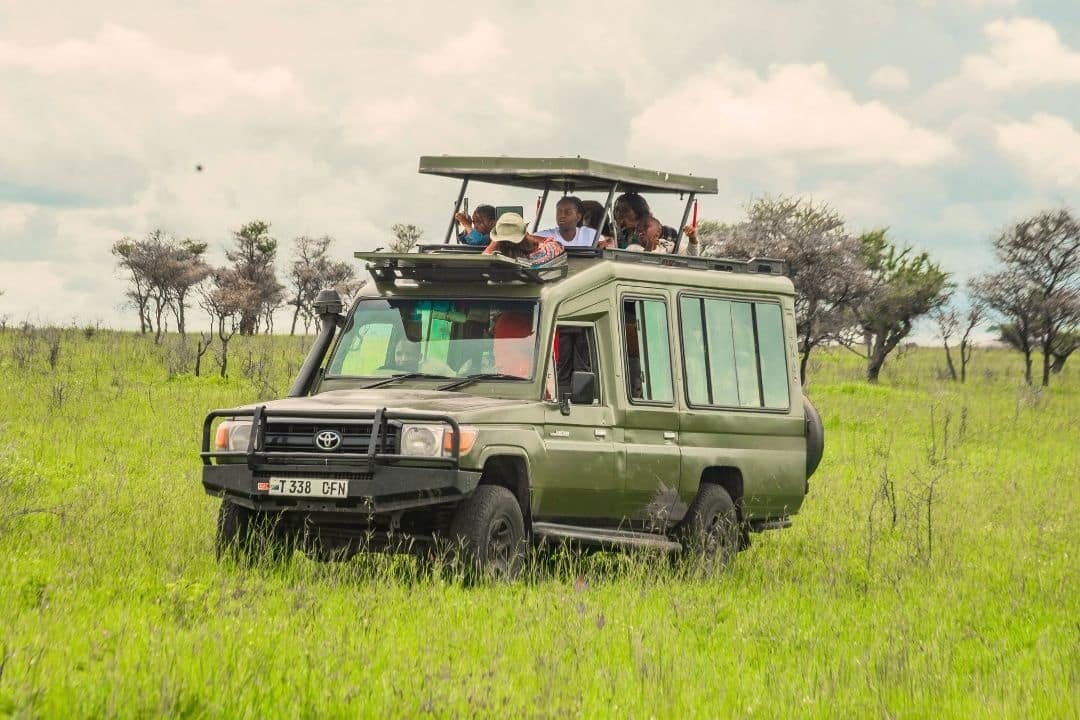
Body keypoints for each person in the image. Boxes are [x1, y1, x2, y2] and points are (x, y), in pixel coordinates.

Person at [482, 212, 566, 268]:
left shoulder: (492, 262)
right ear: (524, 236)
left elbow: (484, 256)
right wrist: (528, 236)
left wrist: (497, 238)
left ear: (497, 241)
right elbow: (555, 245)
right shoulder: (534, 261)